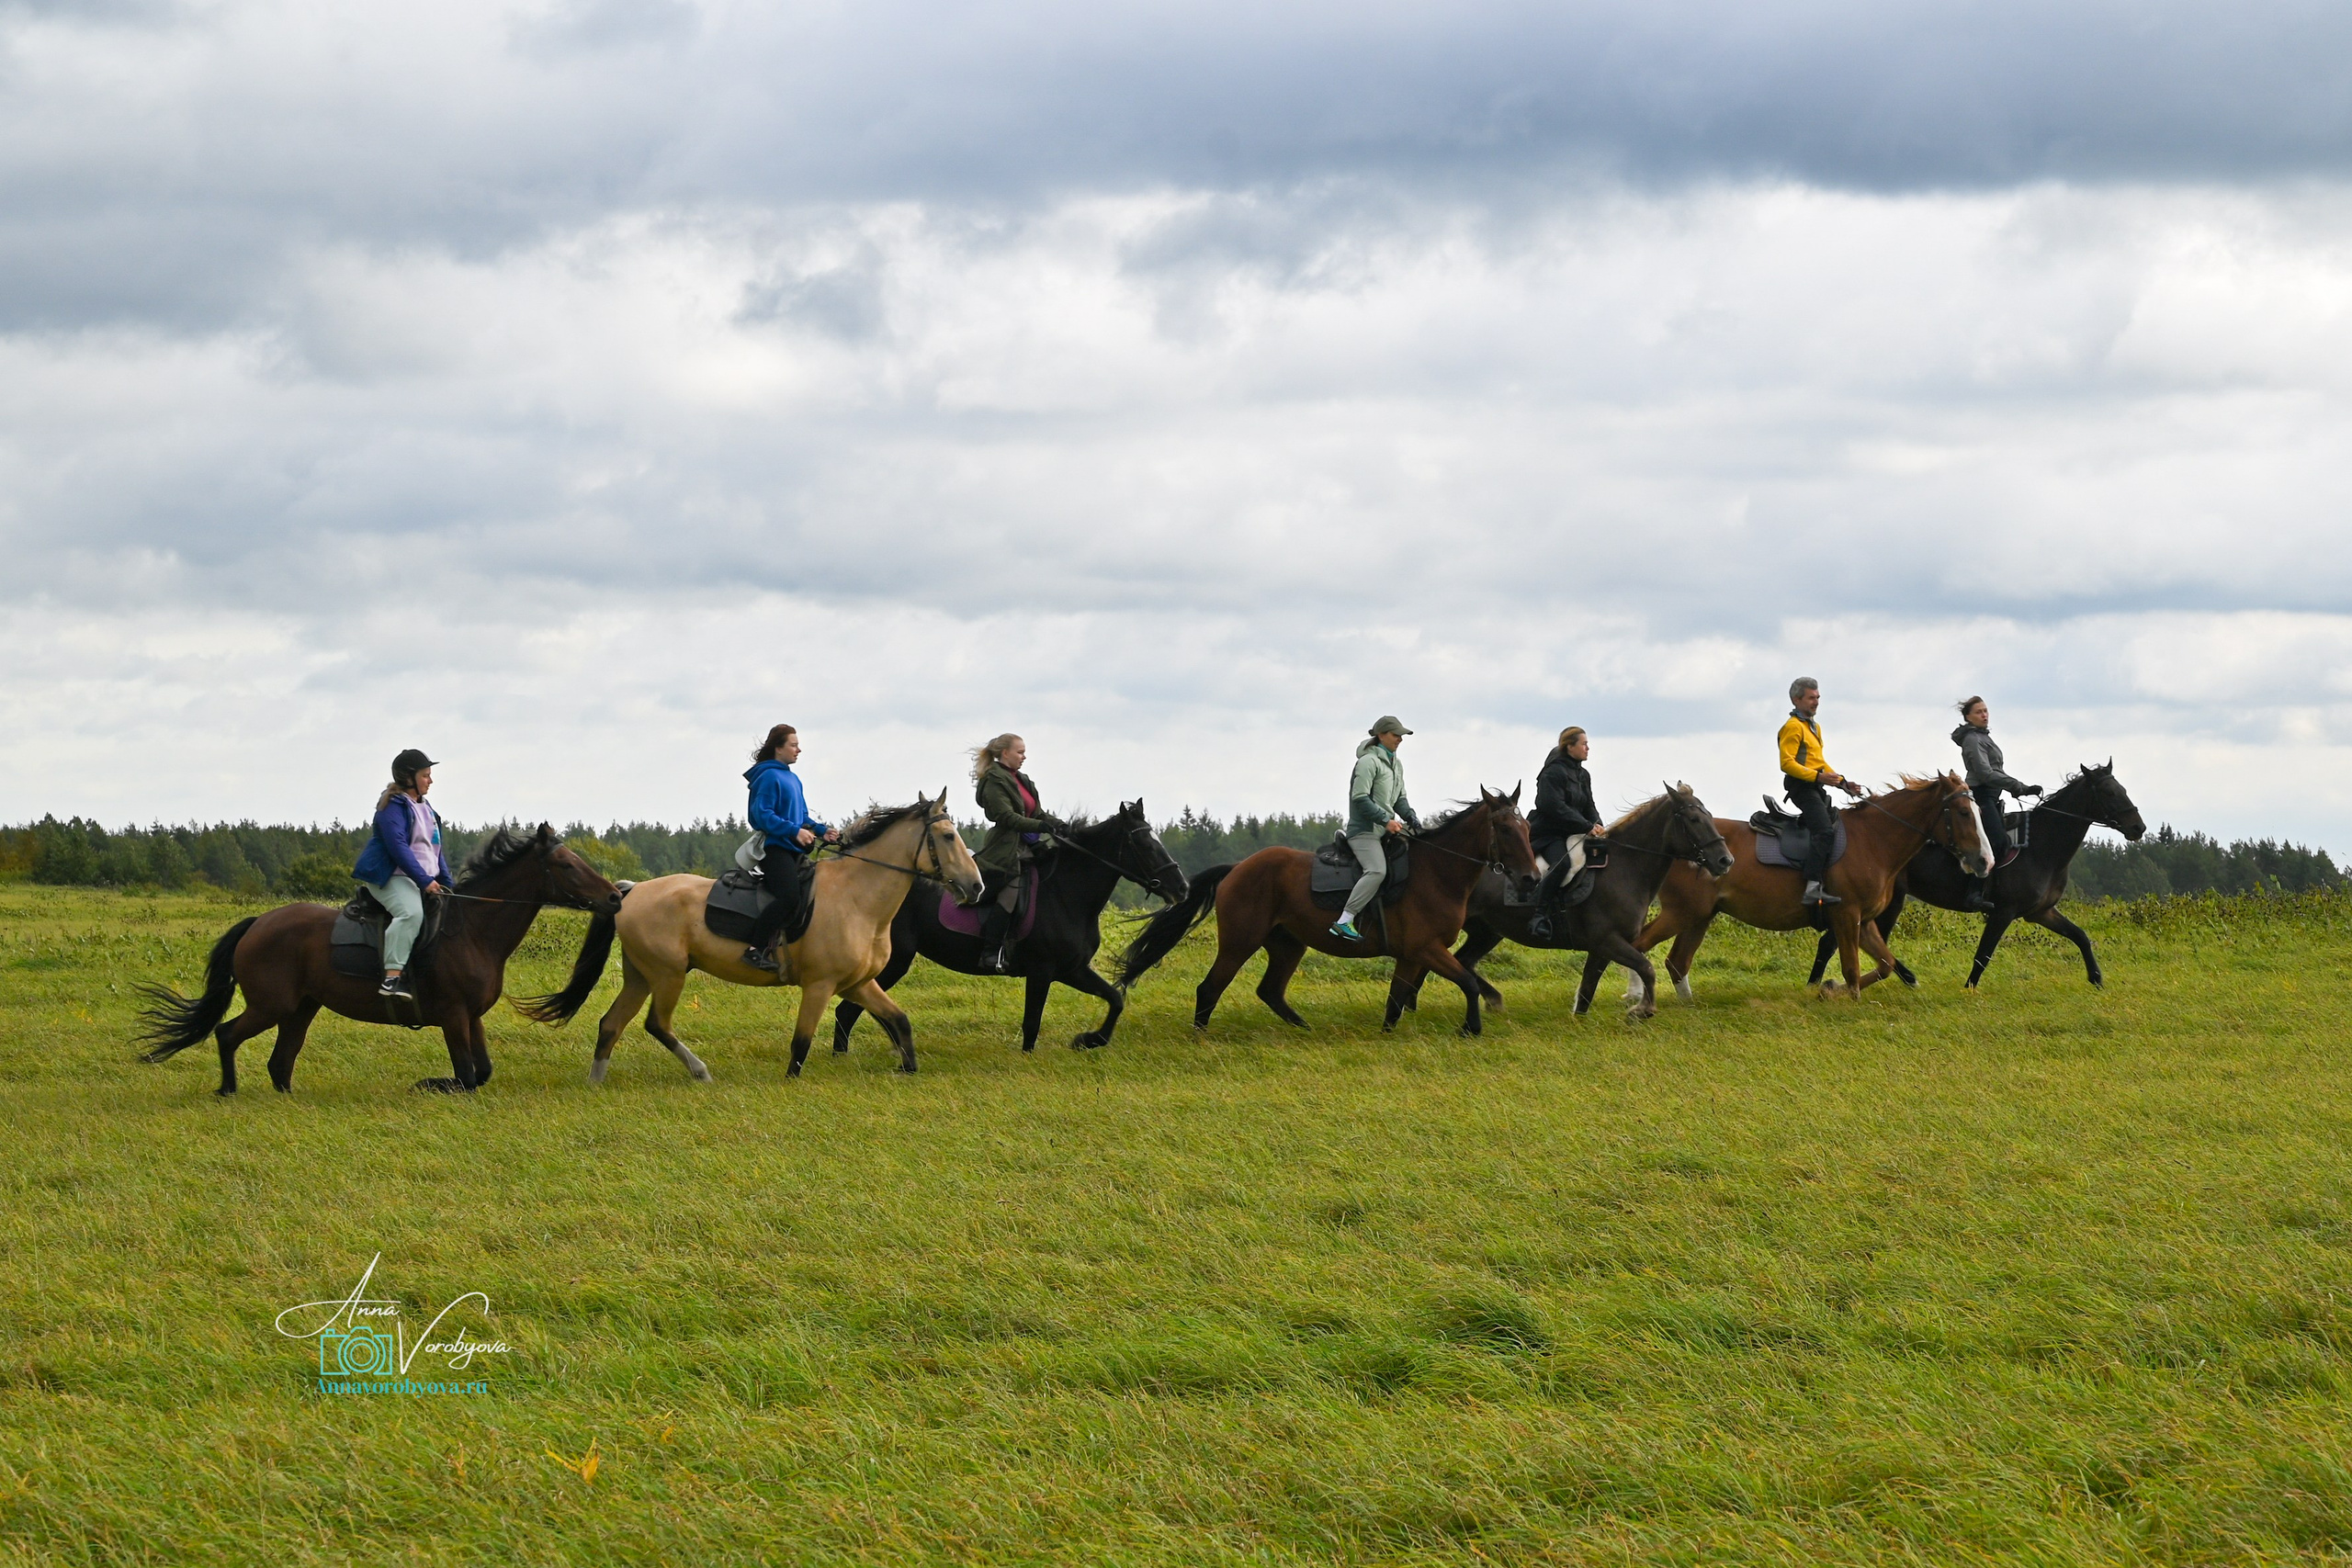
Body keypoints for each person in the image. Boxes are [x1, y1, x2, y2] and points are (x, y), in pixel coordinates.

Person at [350, 748, 451, 999]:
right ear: (409, 777)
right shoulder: (391, 807)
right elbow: (398, 848)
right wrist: (425, 881)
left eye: (430, 775)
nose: (430, 780)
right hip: (390, 877)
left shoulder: (427, 810)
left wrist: (450, 886)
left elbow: (436, 852)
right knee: (411, 913)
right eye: (426, 775)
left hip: (418, 879)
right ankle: (392, 978)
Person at [741, 724, 839, 972]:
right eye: (793, 745)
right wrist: (794, 831)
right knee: (789, 897)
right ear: (778, 748)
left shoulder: (793, 779)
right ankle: (755, 950)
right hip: (775, 851)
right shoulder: (768, 777)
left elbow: (802, 816)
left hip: (793, 850)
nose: (799, 750)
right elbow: (761, 816)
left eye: (798, 745)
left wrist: (821, 830)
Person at [971, 733, 1066, 974]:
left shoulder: (1022, 779)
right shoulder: (994, 780)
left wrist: (1059, 825)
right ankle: (991, 952)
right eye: (1020, 752)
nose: (1024, 757)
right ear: (1005, 753)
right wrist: (1041, 827)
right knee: (1010, 896)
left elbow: (1038, 814)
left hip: (1030, 847)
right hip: (1006, 850)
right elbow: (1005, 817)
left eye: (1024, 752)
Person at [1330, 717, 1421, 942]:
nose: (1400, 739)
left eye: (1401, 736)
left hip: (1384, 830)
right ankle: (1344, 920)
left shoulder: (1396, 765)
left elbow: (1399, 798)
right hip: (1364, 832)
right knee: (1377, 871)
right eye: (1396, 735)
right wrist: (1386, 820)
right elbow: (1360, 799)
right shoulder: (1368, 762)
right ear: (1381, 736)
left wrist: (1410, 815)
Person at [1951, 695, 2042, 911]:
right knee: (1999, 842)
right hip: (1982, 795)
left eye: (1985, 711)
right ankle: (1975, 892)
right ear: (1968, 717)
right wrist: (2019, 787)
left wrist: (2014, 788)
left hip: (1992, 795)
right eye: (1979, 712)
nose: (1984, 715)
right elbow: (1985, 773)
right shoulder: (1973, 739)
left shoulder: (1983, 737)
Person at [1778, 678, 1863, 907]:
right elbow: (1786, 763)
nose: (1816, 702)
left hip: (1815, 786)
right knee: (1824, 832)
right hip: (1801, 788)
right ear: (1797, 700)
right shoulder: (1793, 727)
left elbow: (1819, 762)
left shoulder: (1814, 727)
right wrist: (1818, 777)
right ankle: (1812, 887)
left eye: (1817, 698)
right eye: (1811, 698)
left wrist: (1844, 783)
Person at [1526, 726, 1606, 941]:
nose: (1588, 748)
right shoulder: (1553, 772)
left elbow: (1589, 804)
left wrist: (1598, 824)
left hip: (1573, 832)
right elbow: (1553, 807)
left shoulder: (1583, 774)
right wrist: (1586, 826)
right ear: (1569, 746)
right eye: (1584, 744)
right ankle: (1539, 916)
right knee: (1563, 865)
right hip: (1549, 833)